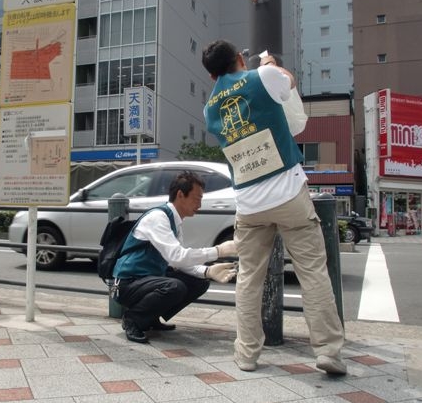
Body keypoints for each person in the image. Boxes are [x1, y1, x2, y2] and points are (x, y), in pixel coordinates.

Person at [201, 40, 347, 375]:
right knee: (312, 271)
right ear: (240, 59)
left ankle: (246, 354)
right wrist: (270, 64)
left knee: (249, 278)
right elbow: (288, 81)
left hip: (249, 203)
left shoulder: (209, 110)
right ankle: (328, 351)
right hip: (288, 193)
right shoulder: (262, 76)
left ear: (211, 76)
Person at [113, 171, 238, 344]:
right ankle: (133, 319)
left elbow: (179, 262)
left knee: (199, 282)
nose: (199, 204)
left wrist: (208, 271)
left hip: (146, 279)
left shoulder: (175, 221)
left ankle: (150, 316)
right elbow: (177, 257)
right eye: (196, 198)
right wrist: (218, 251)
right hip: (126, 283)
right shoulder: (158, 218)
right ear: (180, 195)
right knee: (174, 286)